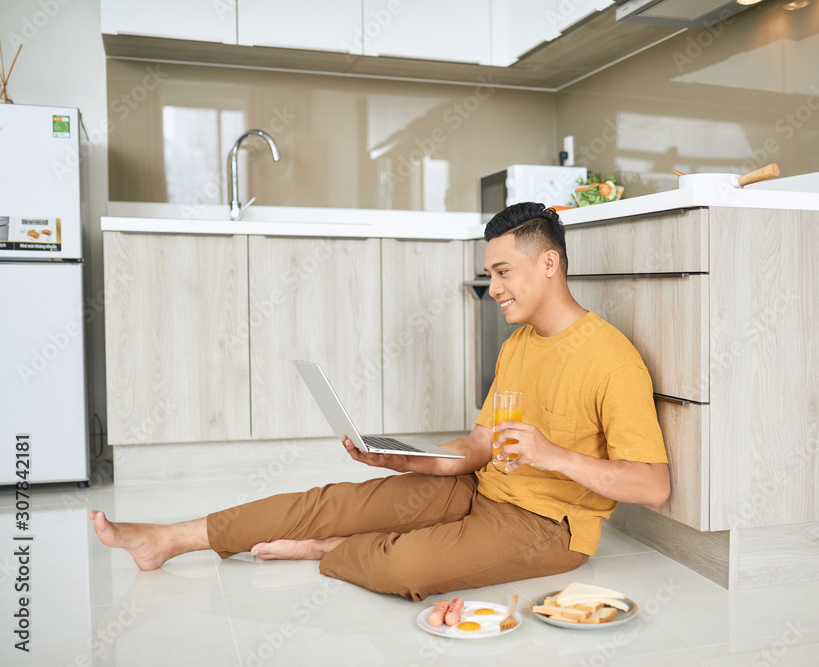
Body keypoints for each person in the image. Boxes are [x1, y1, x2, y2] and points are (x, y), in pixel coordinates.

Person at [88, 202, 671, 601]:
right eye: (489, 273)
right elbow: (476, 445)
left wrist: (556, 456)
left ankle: (327, 551)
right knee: (336, 501)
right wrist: (404, 458)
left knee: (405, 567)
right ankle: (170, 538)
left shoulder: (610, 358)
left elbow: (653, 485)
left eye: (502, 271)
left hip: (549, 526)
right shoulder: (518, 345)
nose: (493, 288)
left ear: (549, 263)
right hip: (480, 488)